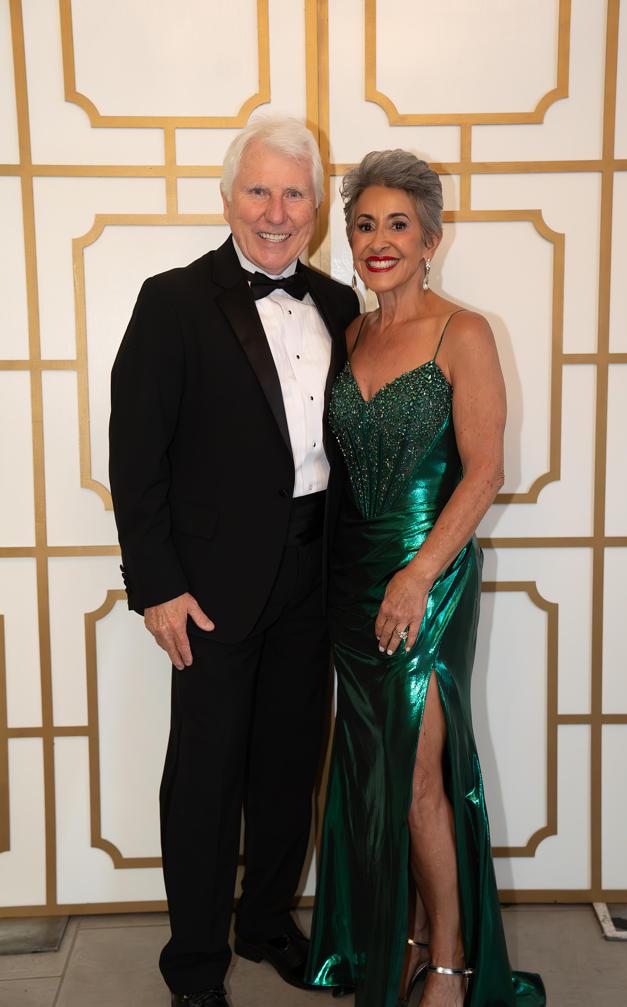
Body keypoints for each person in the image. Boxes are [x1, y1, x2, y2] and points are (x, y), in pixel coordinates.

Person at [108, 116, 359, 1007]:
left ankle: (266, 924)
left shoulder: (341, 306)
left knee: (290, 765)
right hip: (209, 588)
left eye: (295, 193)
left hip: (314, 574)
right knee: (205, 781)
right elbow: (136, 455)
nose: (277, 211)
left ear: (316, 208)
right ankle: (194, 964)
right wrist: (157, 585)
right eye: (259, 190)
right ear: (227, 199)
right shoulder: (172, 301)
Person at [305, 150, 546, 1007]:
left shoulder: (462, 332)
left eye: (398, 225)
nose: (379, 241)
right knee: (373, 776)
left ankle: (449, 959)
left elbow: (485, 473)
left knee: (417, 779)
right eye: (364, 225)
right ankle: (401, 936)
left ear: (430, 239)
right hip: (351, 585)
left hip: (427, 582)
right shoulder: (350, 336)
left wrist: (417, 574)